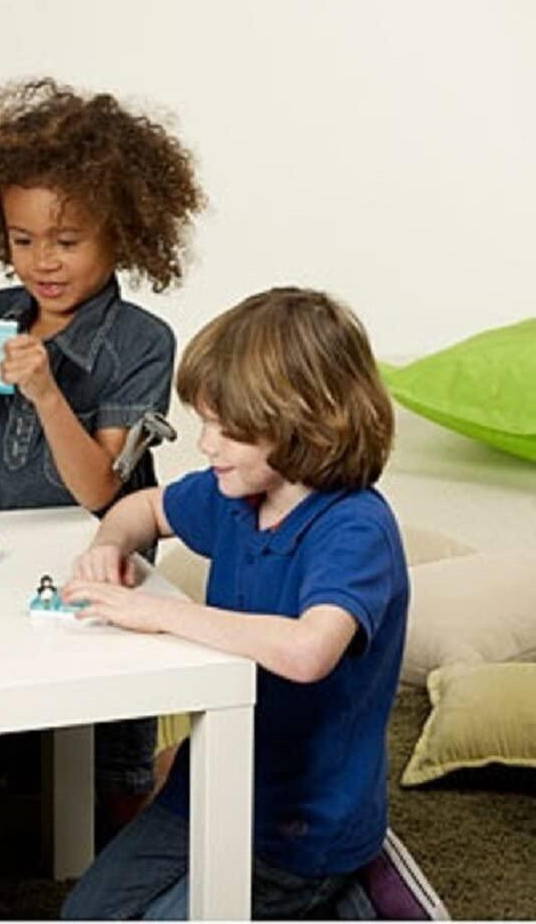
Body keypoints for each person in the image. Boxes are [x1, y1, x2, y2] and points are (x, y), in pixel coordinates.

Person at [0, 77, 205, 836]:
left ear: (121, 234)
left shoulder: (140, 341)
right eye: (22, 240)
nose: (44, 262)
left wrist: (44, 393)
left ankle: (139, 788)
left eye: (67, 242)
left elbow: (101, 489)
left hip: (96, 561)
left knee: (108, 776)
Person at [59, 287, 409, 920]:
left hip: (301, 832)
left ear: (306, 420)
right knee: (83, 915)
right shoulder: (237, 492)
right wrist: (109, 546)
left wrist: (160, 613)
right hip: (207, 787)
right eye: (204, 421)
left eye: (228, 428)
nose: (206, 444)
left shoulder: (355, 528)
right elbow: (142, 507)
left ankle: (348, 898)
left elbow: (309, 651)